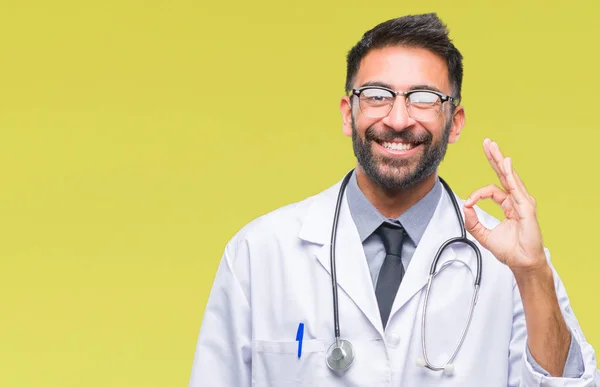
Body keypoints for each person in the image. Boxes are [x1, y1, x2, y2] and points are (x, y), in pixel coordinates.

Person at [188, 13, 598, 386]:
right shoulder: (259, 253)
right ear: (349, 113)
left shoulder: (513, 264)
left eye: (423, 98)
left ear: (454, 123)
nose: (399, 120)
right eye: (378, 95)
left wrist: (532, 272)